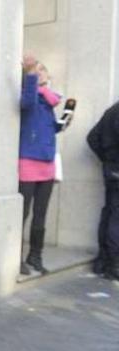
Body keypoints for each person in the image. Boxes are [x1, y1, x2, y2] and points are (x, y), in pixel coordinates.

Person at [17, 54, 65, 275]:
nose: (41, 71)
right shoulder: (32, 94)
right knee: (23, 213)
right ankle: (16, 258)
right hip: (28, 161)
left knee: (40, 215)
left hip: (47, 163)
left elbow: (49, 128)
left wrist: (63, 123)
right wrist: (30, 76)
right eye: (38, 69)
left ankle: (36, 256)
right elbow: (26, 102)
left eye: (42, 69)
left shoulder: (50, 100)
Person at [85, 99, 119, 280]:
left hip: (111, 170)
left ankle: (102, 261)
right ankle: (113, 266)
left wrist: (107, 160)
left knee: (109, 214)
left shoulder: (111, 110)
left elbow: (92, 137)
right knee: (115, 218)